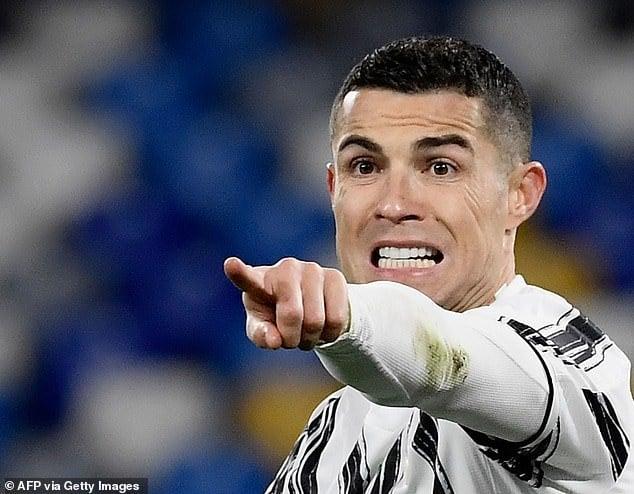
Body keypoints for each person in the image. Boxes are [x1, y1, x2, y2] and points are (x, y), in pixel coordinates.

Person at [224, 36, 634, 493]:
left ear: (520, 194)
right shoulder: (333, 432)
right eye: (364, 167)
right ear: (333, 189)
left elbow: (452, 368)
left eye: (440, 167)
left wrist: (351, 319)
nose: (394, 205)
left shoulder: (569, 362)